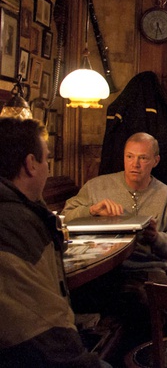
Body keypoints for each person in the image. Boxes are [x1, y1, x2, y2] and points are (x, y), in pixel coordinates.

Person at [0, 118, 104, 367]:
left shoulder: (23, 210)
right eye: (46, 159)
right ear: (30, 165)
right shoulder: (16, 223)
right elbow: (41, 330)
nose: (49, 167)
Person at [63, 133, 167, 292]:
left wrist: (156, 237)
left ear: (155, 161)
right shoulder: (97, 186)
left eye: (143, 158)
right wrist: (91, 210)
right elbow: (65, 218)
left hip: (147, 271)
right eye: (129, 156)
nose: (135, 164)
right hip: (102, 270)